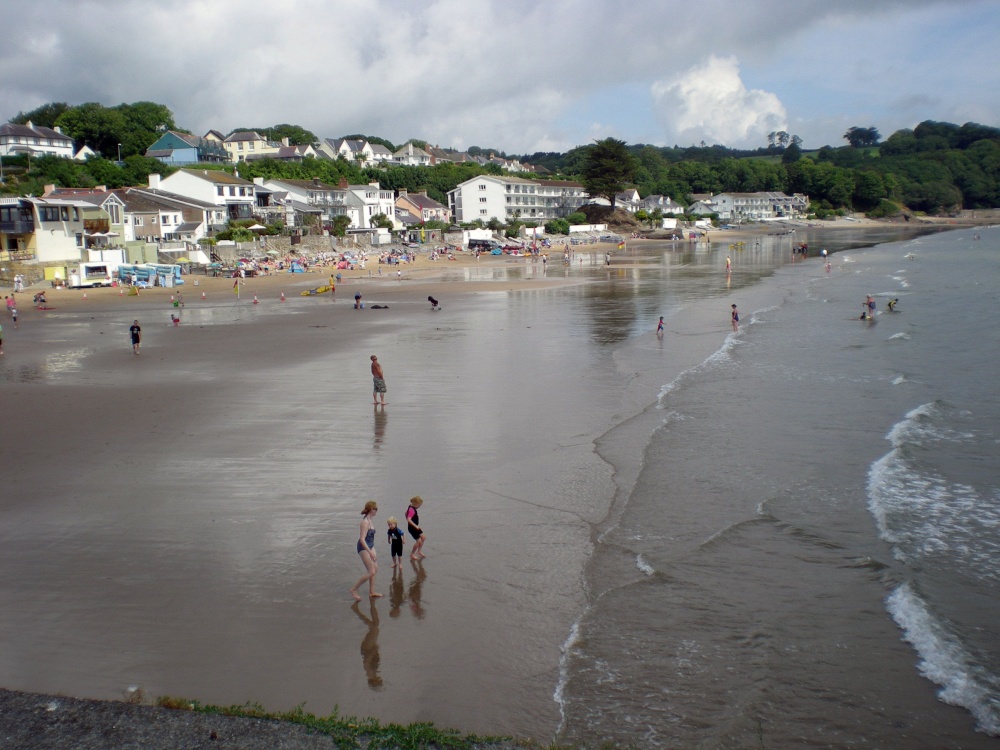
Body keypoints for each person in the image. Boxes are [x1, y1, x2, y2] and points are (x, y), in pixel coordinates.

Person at [350, 500, 382, 600]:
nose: (376, 510)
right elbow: (362, 539)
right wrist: (370, 552)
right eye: (375, 509)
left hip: (371, 545)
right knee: (371, 571)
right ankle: (354, 589)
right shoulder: (364, 522)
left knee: (375, 568)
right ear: (371, 509)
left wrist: (372, 549)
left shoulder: (370, 520)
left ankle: (371, 591)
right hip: (363, 547)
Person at [406, 496, 426, 560]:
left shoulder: (410, 507)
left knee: (423, 537)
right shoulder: (412, 510)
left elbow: (406, 513)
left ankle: (419, 551)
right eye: (419, 505)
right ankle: (412, 554)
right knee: (418, 541)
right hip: (412, 528)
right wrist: (415, 526)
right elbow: (409, 519)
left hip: (415, 527)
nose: (419, 507)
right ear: (416, 504)